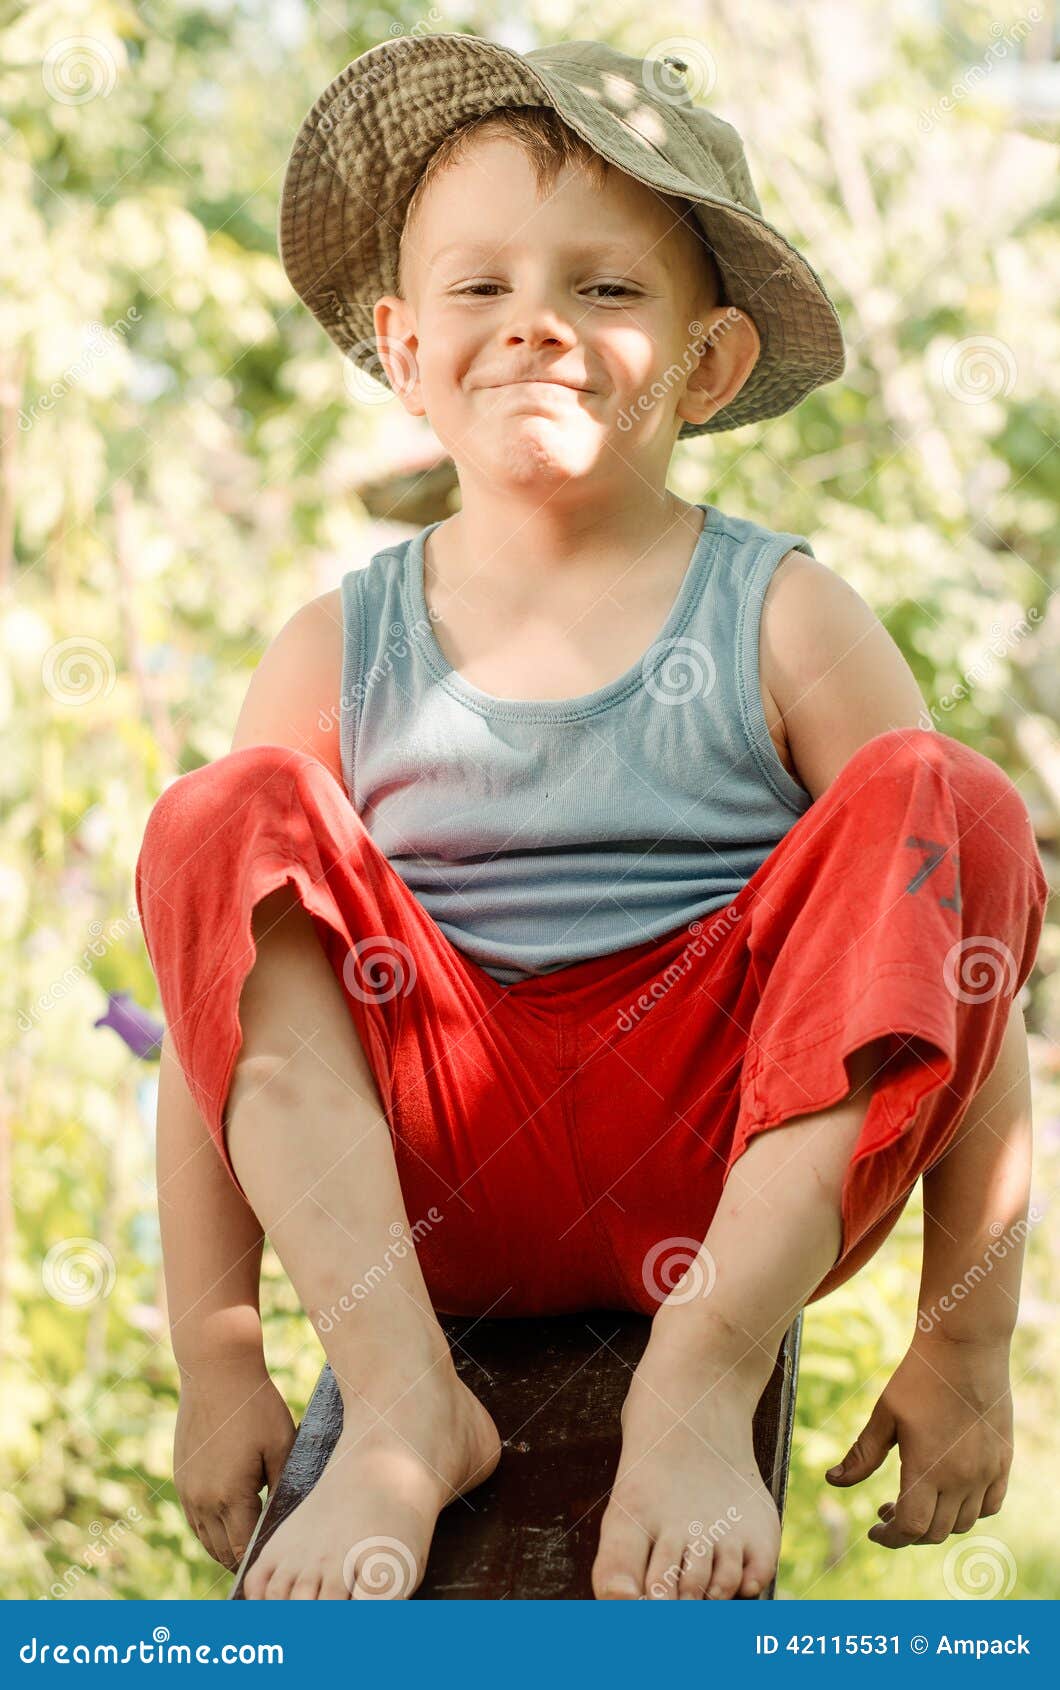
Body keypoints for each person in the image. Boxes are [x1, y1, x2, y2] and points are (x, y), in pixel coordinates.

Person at [134, 33, 1048, 1602]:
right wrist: (219, 1363)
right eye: (479, 288)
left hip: (717, 1174)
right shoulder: (338, 648)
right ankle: (408, 1404)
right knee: (229, 816)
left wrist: (965, 1342)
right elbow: (230, 1025)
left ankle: (693, 1379)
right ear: (404, 344)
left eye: (607, 290)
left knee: (944, 795)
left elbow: (959, 963)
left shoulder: (785, 615)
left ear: (705, 360)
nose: (536, 324)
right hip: (429, 1179)